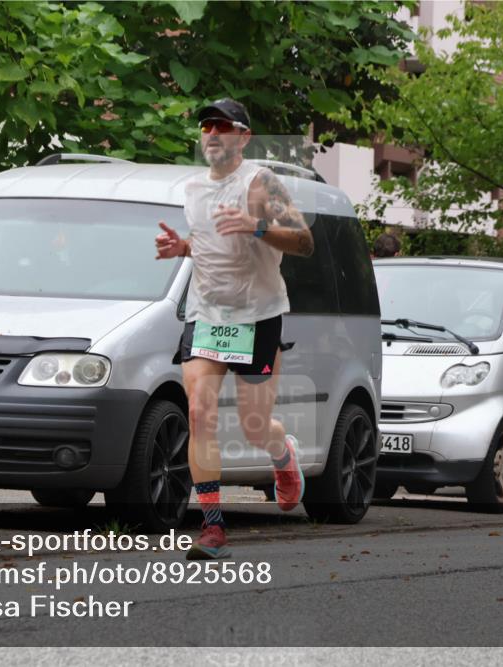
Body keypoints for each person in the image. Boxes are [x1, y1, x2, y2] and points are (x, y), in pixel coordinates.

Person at [154, 98, 315, 560]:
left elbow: (304, 242)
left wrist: (257, 225)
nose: (212, 133)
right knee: (200, 411)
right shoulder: (192, 189)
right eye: (207, 126)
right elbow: (210, 245)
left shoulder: (261, 183)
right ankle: (212, 526)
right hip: (206, 317)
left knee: (253, 424)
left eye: (223, 126)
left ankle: (281, 453)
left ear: (243, 137)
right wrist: (182, 247)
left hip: (258, 316)